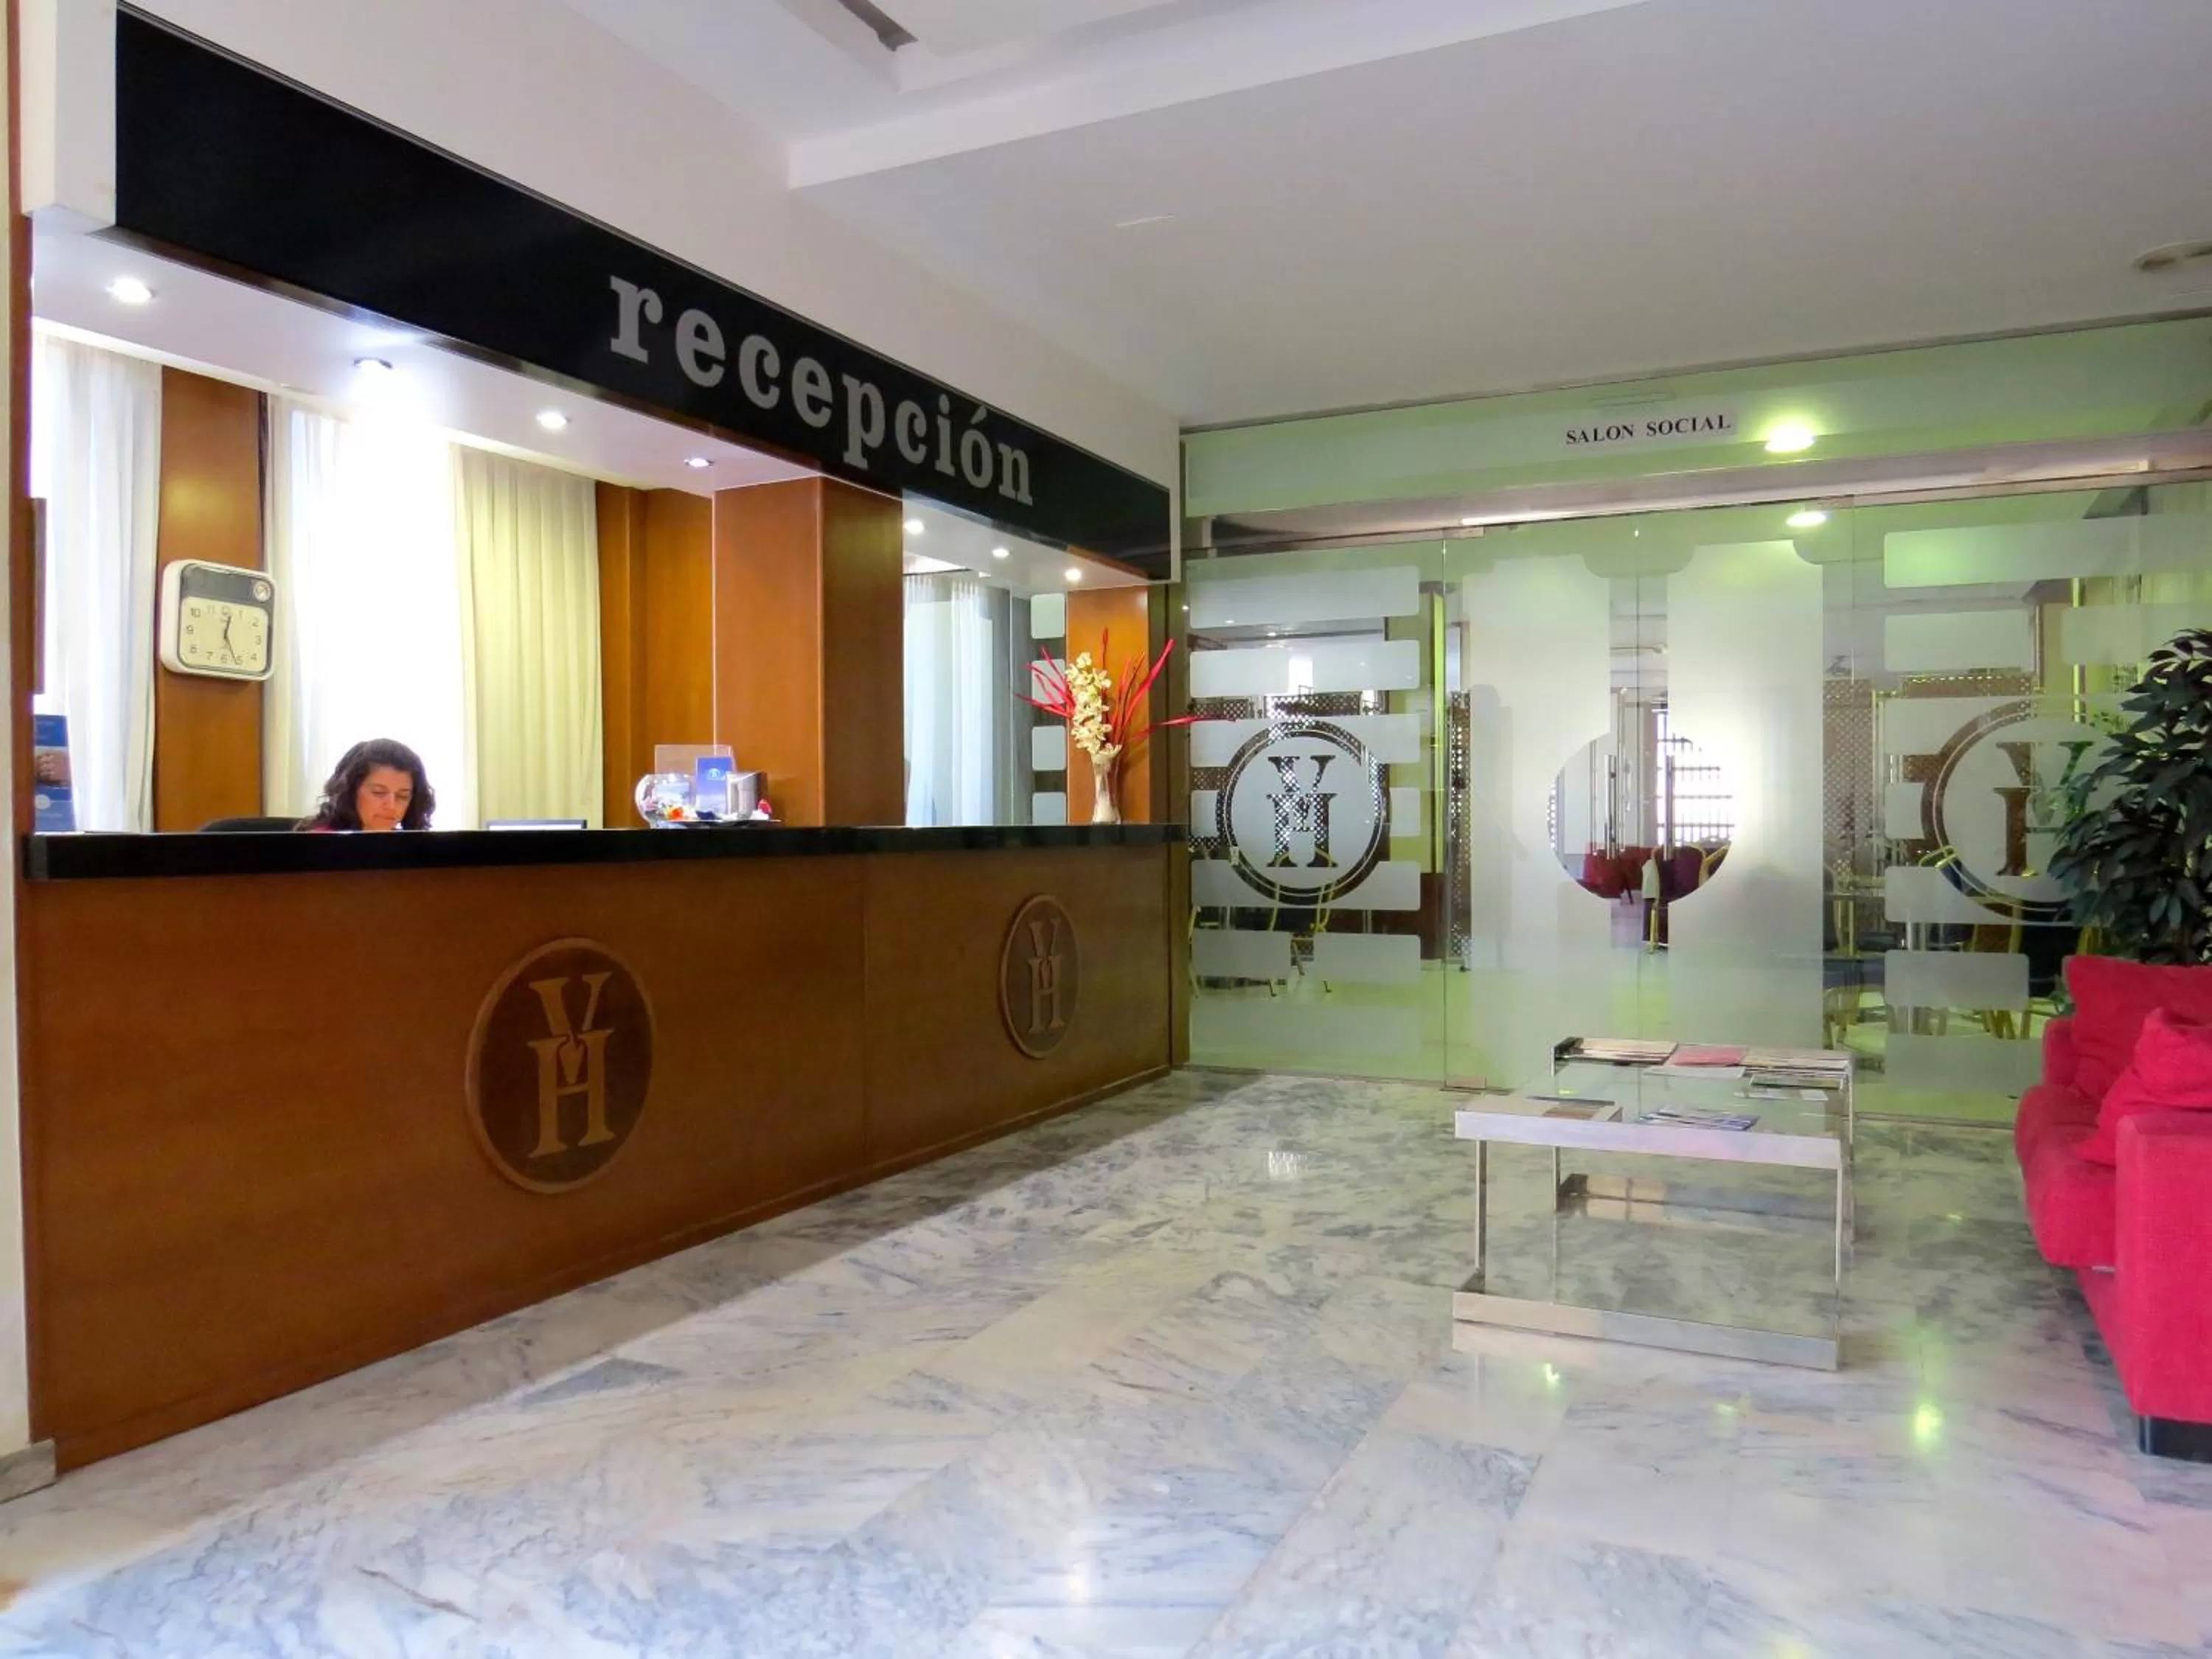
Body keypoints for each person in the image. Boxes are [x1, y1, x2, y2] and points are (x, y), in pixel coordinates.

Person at [299, 739, 436, 832]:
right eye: (378, 793)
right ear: (351, 792)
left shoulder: (414, 848)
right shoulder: (317, 844)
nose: (391, 806)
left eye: (403, 796)